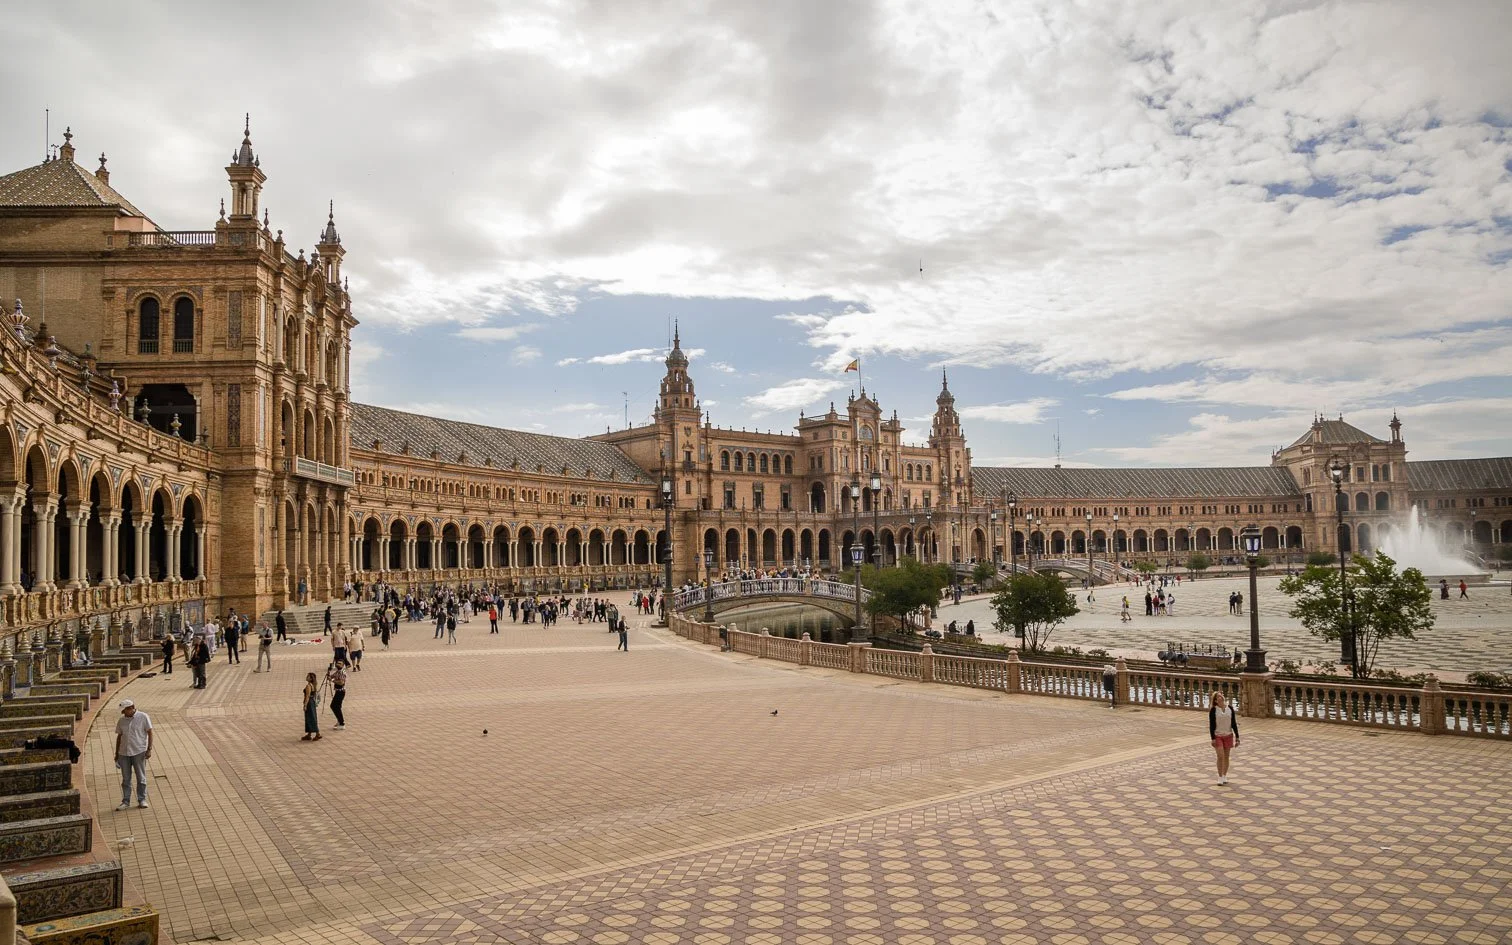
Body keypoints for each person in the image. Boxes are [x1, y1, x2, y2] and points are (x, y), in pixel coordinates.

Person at [114, 699, 153, 810]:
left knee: (141, 778)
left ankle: (142, 799)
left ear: (131, 708)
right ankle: (125, 801)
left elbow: (150, 732)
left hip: (139, 751)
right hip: (124, 753)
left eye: (125, 710)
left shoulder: (143, 717)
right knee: (126, 779)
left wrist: (149, 749)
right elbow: (119, 736)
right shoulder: (121, 720)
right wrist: (116, 753)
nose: (123, 713)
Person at [1209, 692, 1239, 785]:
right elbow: (1211, 725)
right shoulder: (1213, 710)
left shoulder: (1230, 708)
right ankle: (1220, 777)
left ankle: (1224, 775)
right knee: (1220, 755)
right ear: (1215, 700)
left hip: (1228, 735)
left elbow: (1233, 723)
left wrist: (1237, 737)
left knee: (1226, 756)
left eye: (1221, 695)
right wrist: (1213, 738)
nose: (1221, 696)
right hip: (1218, 736)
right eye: (1218, 696)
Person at [326, 660, 348, 730]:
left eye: (340, 663)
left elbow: (341, 682)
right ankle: (339, 720)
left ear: (343, 665)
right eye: (337, 663)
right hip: (338, 691)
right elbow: (332, 676)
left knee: (334, 706)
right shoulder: (338, 671)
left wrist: (332, 680)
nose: (338, 664)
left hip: (341, 692)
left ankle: (342, 723)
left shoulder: (342, 672)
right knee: (336, 706)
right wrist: (329, 673)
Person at [301, 672, 322, 741]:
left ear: (310, 679)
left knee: (311, 718)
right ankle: (309, 734)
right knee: (312, 717)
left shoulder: (308, 686)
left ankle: (317, 733)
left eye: (308, 676)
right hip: (312, 702)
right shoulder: (314, 685)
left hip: (309, 703)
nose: (306, 677)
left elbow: (307, 696)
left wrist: (305, 705)